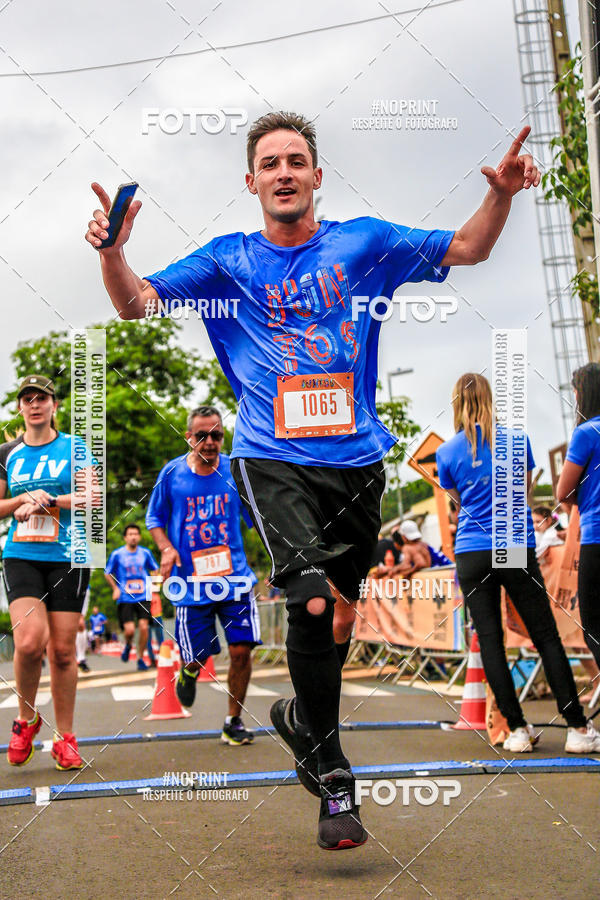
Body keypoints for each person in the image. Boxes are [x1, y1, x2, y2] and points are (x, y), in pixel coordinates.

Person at [87, 110, 541, 848]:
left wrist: (502, 197)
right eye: (271, 164)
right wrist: (113, 252)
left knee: (337, 619)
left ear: (317, 176)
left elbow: (467, 247)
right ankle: (334, 778)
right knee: (305, 602)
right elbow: (138, 302)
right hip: (270, 456)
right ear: (252, 182)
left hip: (357, 464)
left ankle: (300, 721)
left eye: (297, 160)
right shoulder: (228, 260)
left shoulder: (365, 242)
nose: (285, 173)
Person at [436, 373, 599, 753]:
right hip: (513, 542)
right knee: (545, 636)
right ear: (491, 399)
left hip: (472, 549)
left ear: (457, 403)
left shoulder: (447, 452)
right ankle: (576, 727)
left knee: (492, 640)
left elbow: (456, 502)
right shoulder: (517, 441)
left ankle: (516, 729)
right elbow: (522, 493)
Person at [146, 405, 260, 745]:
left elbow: (258, 517)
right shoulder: (172, 475)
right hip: (191, 584)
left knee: (241, 650)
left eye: (217, 435)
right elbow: (154, 519)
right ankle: (189, 670)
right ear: (188, 437)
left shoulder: (235, 471)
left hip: (234, 578)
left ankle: (232, 721)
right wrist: (167, 548)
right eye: (202, 436)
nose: (210, 442)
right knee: (199, 654)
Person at [1, 375, 93, 770]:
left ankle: (66, 737)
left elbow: (92, 496)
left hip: (69, 554)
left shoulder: (75, 446)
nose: (35, 404)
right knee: (27, 643)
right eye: (27, 399)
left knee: (61, 651)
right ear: (20, 408)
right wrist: (23, 497)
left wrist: (50, 500)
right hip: (21, 553)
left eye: (42, 398)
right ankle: (25, 720)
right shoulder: (7, 452)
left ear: (54, 405)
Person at [557, 362, 600, 678]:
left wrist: (582, 500)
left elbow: (562, 491)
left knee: (594, 627)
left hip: (596, 538)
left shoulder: (586, 432)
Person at [104, 524, 159, 671]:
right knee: (129, 630)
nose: (133, 536)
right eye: (130, 534)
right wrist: (115, 588)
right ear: (125, 537)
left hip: (143, 595)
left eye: (136, 534)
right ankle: (128, 644)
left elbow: (155, 569)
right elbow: (107, 572)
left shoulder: (145, 553)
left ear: (139, 537)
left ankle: (141, 658)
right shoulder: (117, 554)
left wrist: (154, 587)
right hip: (125, 597)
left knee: (143, 627)